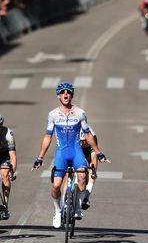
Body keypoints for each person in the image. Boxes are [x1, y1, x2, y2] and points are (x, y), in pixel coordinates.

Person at [32, 82, 109, 229]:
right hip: (62, 152)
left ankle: (78, 207)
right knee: (55, 185)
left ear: (72, 95)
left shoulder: (80, 113)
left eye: (68, 92)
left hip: (76, 152)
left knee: (82, 177)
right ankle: (57, 211)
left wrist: (98, 152)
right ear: (58, 96)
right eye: (62, 92)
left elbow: (87, 134)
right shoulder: (53, 115)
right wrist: (40, 157)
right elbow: (47, 137)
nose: (65, 94)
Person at [79, 128, 98, 210]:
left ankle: (86, 197)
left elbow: (94, 153)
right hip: (76, 148)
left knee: (93, 168)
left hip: (88, 149)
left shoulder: (92, 136)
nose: (82, 143)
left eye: (84, 141)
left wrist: (92, 170)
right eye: (81, 141)